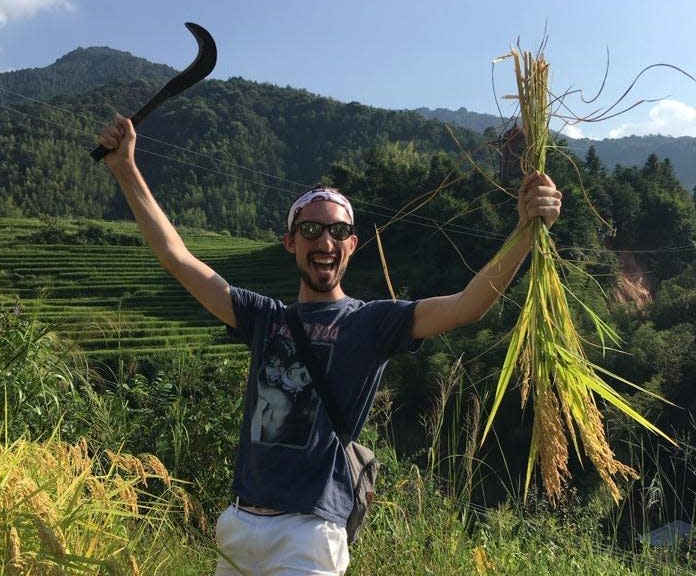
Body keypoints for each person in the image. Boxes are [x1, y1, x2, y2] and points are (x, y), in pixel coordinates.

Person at [98, 114, 562, 575]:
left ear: (352, 244)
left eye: (338, 231)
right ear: (290, 241)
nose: (326, 240)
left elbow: (468, 305)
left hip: (311, 535)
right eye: (311, 229)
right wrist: (125, 167)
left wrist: (525, 230)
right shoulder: (264, 318)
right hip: (239, 526)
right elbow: (178, 258)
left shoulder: (373, 322)